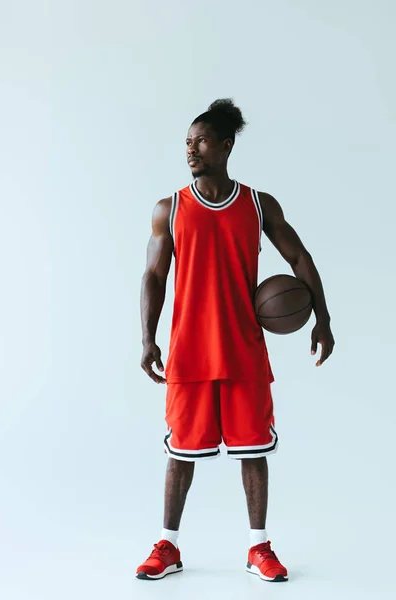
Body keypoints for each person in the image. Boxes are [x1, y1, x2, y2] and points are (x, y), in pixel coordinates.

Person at [138, 99, 335, 583]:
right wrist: (147, 339)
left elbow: (300, 256)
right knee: (180, 455)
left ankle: (258, 548)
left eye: (201, 141)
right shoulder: (171, 208)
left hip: (244, 348)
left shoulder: (257, 204)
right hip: (189, 351)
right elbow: (153, 277)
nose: (191, 149)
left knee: (253, 452)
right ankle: (167, 545)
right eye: (187, 141)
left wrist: (323, 318)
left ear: (226, 146)